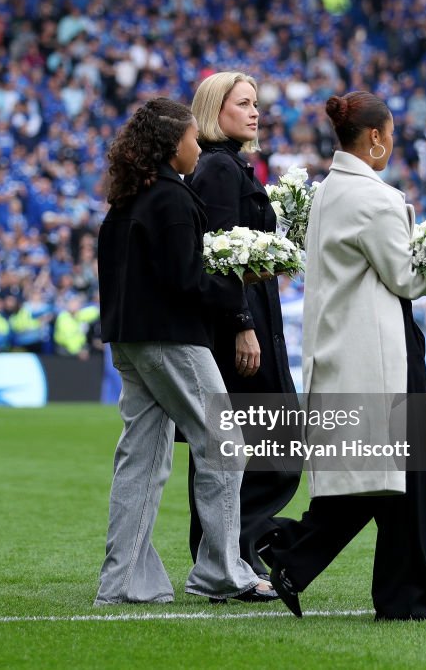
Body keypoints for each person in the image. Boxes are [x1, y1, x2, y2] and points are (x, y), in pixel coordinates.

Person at [265, 91, 426, 621]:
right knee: (403, 479)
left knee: (385, 480)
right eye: (392, 134)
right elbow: (406, 276)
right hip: (380, 353)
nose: (394, 143)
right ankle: (396, 595)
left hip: (347, 347)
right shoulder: (375, 198)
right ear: (376, 138)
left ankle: (298, 557)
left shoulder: (328, 191)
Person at [95, 98, 275, 605]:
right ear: (174, 146)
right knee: (225, 445)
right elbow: (185, 280)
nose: (198, 146)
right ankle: (220, 571)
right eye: (193, 138)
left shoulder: (129, 196)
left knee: (143, 457)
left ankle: (123, 581)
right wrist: (240, 280)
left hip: (129, 337)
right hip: (169, 337)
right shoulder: (172, 198)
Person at [185, 71, 301, 577]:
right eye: (243, 103)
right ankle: (232, 550)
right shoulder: (217, 170)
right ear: (216, 109)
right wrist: (241, 324)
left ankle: (232, 549)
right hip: (240, 330)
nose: (255, 112)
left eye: (256, 104)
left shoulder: (234, 167)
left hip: (255, 321)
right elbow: (218, 257)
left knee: (252, 446)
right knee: (265, 446)